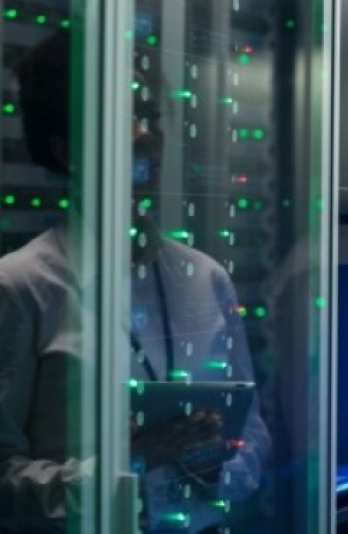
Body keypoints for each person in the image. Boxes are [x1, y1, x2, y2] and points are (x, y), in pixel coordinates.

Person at [0, 30, 269, 533]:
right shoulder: (21, 287)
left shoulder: (205, 278)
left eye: (152, 116)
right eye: (124, 117)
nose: (148, 134)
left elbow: (252, 436)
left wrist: (216, 463)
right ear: (66, 149)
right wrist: (126, 469)